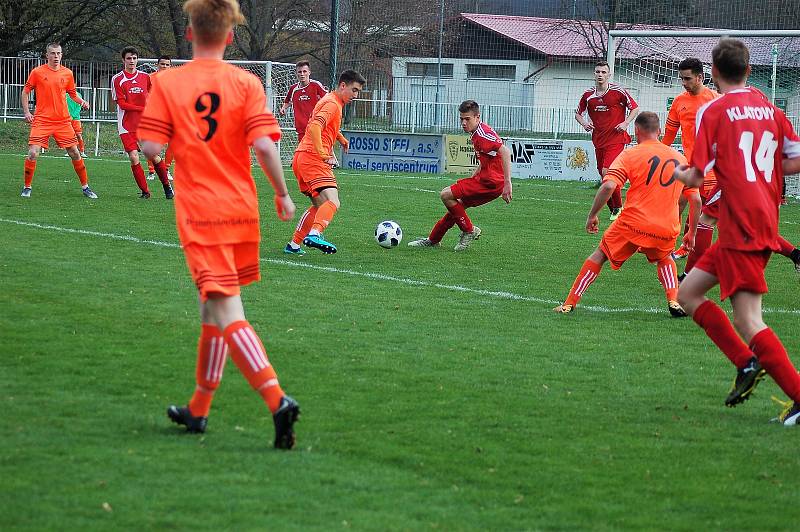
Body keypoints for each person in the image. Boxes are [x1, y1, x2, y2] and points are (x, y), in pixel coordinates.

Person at [138, 0, 301, 449]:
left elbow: (150, 145)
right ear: (230, 36)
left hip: (202, 213)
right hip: (242, 210)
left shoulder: (168, 82)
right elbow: (266, 147)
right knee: (211, 307)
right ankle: (199, 410)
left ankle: (277, 400)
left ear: (190, 33)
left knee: (227, 309)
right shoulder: (247, 82)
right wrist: (283, 194)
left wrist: (172, 132)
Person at [674, 38, 800, 425]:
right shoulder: (772, 111)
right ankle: (746, 363)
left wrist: (678, 173)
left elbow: (696, 174)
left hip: (743, 225)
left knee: (749, 320)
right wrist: (762, 176)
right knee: (688, 293)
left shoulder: (714, 110)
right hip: (754, 219)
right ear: (748, 70)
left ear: (713, 72)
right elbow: (794, 162)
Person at [553, 111, 701, 317]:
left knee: (600, 255)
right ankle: (674, 300)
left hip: (632, 223)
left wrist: (592, 215)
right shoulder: (680, 158)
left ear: (636, 131)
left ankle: (569, 303)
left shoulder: (630, 154)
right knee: (665, 257)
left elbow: (609, 186)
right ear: (659, 131)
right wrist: (691, 233)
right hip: (667, 226)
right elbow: (695, 199)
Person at [407, 100, 512, 251]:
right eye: (461, 119)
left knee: (446, 195)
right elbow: (487, 157)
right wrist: (475, 173)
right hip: (487, 181)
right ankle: (433, 240)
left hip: (491, 183)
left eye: (467, 119)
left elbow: (505, 151)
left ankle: (469, 230)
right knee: (456, 208)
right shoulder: (477, 132)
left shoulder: (483, 134)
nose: (463, 123)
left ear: (477, 117)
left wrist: (507, 183)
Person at [283, 69, 365, 255]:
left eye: (358, 91)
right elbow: (314, 126)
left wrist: (341, 138)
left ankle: (294, 245)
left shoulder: (330, 100)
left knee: (320, 205)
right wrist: (322, 152)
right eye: (354, 90)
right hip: (313, 158)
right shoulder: (332, 104)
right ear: (343, 85)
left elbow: (326, 126)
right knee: (333, 201)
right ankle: (315, 234)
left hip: (301, 158)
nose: (356, 95)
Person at [20, 42, 97, 199]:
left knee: (75, 152)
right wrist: (27, 112)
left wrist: (82, 102)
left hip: (63, 121)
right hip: (42, 120)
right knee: (33, 153)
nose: (56, 56)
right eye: (53, 53)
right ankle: (27, 187)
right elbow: (25, 92)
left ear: (62, 55)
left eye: (58, 53)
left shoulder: (67, 73)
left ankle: (86, 187)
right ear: (47, 55)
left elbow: (73, 94)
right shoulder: (37, 72)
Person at [661, 57, 719, 261]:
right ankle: (665, 243)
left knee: (706, 214)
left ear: (700, 77)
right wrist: (659, 154)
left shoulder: (716, 99)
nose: (684, 83)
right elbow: (669, 133)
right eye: (681, 79)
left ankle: (693, 250)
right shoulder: (679, 101)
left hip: (714, 168)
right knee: (678, 203)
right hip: (689, 166)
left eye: (687, 79)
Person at [575, 61, 640, 220]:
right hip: (598, 140)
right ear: (594, 74)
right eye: (597, 72)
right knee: (604, 176)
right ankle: (614, 210)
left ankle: (618, 208)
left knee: (607, 172)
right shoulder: (588, 95)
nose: (600, 75)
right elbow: (578, 113)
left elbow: (635, 108)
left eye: (604, 72)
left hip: (617, 139)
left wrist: (625, 123)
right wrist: (584, 123)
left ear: (609, 75)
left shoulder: (618, 92)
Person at [112, 46, 174, 199]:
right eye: (128, 58)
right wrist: (142, 107)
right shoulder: (117, 79)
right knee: (134, 156)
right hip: (126, 124)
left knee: (153, 156)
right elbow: (121, 104)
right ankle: (145, 192)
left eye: (134, 58)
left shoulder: (145, 77)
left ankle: (167, 186)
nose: (131, 61)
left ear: (137, 59)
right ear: (123, 60)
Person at [279, 61, 328, 142]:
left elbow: (328, 99)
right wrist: (283, 108)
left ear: (309, 72)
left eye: (304, 71)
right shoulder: (293, 89)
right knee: (303, 153)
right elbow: (287, 101)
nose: (302, 74)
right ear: (296, 73)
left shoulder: (316, 85)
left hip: (317, 128)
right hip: (301, 130)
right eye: (299, 72)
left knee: (321, 153)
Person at [147, 55, 174, 181]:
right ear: (158, 65)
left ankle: (166, 169)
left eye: (167, 64)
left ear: (170, 66)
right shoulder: (150, 78)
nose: (164, 66)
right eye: (162, 64)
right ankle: (152, 171)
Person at [65, 89, 87, 158]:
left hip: (76, 119)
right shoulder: (65, 95)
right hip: (67, 118)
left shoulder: (78, 95)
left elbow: (79, 107)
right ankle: (68, 151)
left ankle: (82, 151)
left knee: (78, 135)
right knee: (69, 135)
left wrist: (73, 115)